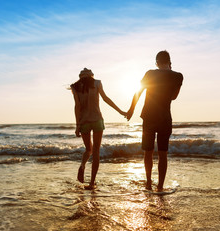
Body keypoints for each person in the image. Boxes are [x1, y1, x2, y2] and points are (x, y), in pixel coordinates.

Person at [127, 51, 183, 191]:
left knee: (148, 152)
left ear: (156, 62)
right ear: (169, 62)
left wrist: (131, 110)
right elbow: (173, 97)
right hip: (164, 117)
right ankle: (160, 186)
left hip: (149, 116)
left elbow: (138, 92)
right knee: (163, 153)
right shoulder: (178, 76)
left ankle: (148, 183)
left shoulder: (150, 74)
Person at [70, 68, 126, 189]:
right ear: (91, 76)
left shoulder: (75, 87)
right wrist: (121, 111)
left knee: (88, 149)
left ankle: (83, 165)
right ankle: (91, 183)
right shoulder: (97, 83)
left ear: (80, 77)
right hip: (97, 121)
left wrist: (77, 125)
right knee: (96, 152)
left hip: (84, 122)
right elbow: (106, 99)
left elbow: (77, 106)